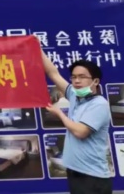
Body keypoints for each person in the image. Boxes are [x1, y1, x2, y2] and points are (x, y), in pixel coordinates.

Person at [42, 52, 112, 194]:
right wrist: (37, 47)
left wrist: (60, 114)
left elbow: (81, 132)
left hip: (92, 176)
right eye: (73, 77)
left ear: (95, 81)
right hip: (76, 171)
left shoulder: (99, 104)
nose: (77, 81)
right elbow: (53, 73)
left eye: (82, 77)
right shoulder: (74, 95)